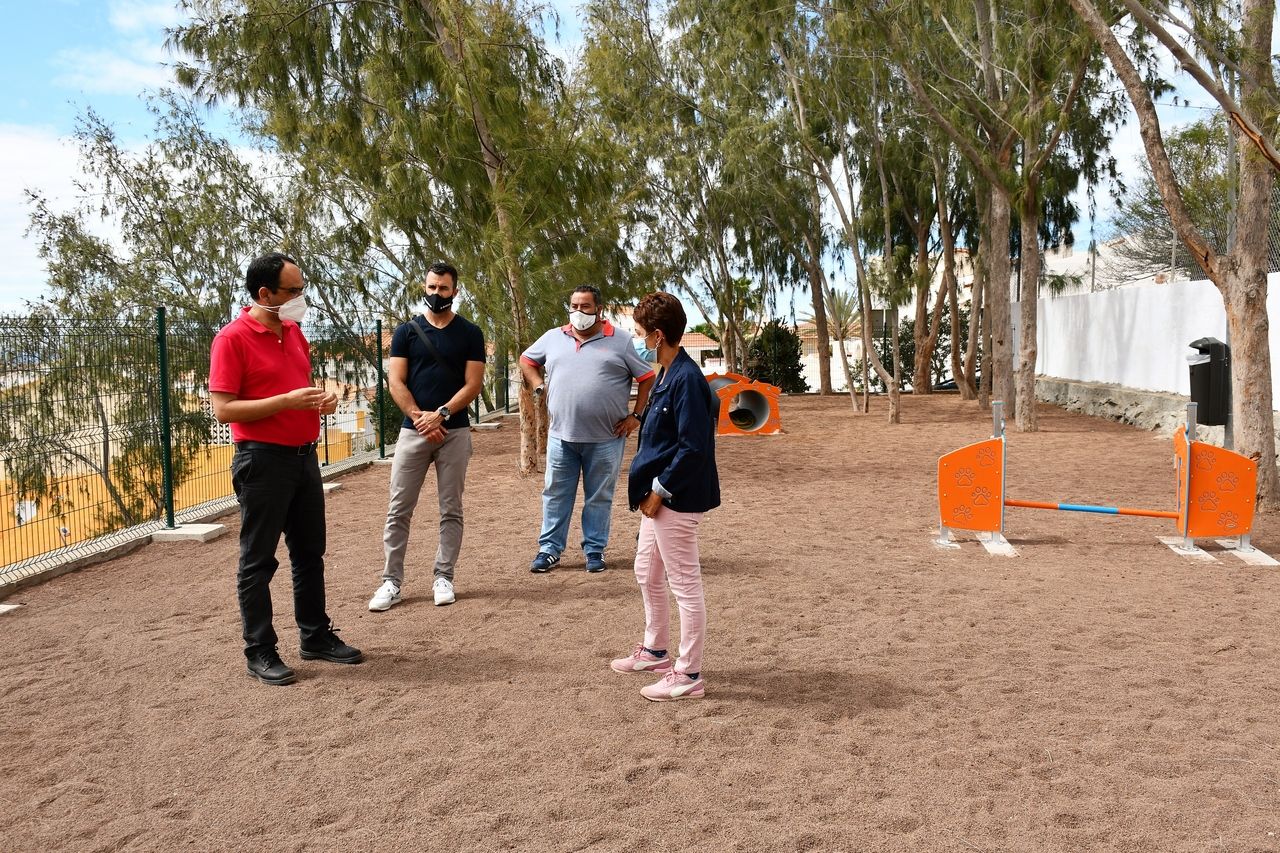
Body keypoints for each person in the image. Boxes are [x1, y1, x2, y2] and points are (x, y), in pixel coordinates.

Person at [209, 251, 363, 687]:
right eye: (293, 291)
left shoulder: (294, 331)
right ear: (264, 293)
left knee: (309, 553)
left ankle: (315, 636)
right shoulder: (232, 338)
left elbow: (299, 389)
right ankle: (259, 650)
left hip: (303, 456)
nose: (301, 298)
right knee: (258, 561)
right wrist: (286, 402)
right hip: (261, 460)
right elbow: (223, 409)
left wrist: (323, 401)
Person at [610, 291, 719, 702]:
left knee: (684, 584)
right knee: (647, 571)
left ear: (658, 335)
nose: (637, 340)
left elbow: (693, 447)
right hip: (659, 496)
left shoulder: (687, 379)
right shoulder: (667, 374)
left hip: (675, 497)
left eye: (640, 333)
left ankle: (688, 672)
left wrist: (659, 491)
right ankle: (655, 650)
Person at [368, 261, 485, 612]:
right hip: (414, 430)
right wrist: (421, 419)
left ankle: (443, 576)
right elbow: (396, 381)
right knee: (398, 509)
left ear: (455, 291)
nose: (437, 294)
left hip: (455, 429)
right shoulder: (406, 331)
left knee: (451, 508)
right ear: (425, 288)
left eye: (443, 288)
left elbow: (473, 384)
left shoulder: (470, 333)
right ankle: (391, 582)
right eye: (432, 287)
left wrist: (442, 415)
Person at [520, 285, 655, 573]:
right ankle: (549, 549)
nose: (579, 312)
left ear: (599, 310)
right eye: (574, 306)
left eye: (585, 307)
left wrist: (636, 416)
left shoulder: (620, 340)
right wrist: (539, 386)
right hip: (561, 437)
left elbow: (646, 376)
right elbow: (527, 360)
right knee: (556, 494)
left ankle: (594, 550)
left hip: (606, 438)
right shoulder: (553, 337)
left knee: (599, 496)